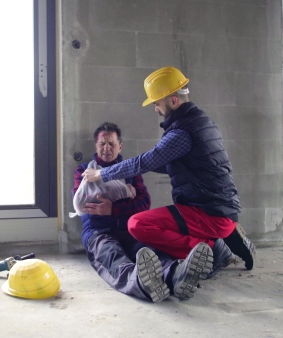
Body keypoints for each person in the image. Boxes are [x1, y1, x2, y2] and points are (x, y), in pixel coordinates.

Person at [82, 66, 256, 272]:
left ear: (173, 100)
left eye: (157, 103)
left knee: (137, 225)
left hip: (209, 214)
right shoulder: (202, 122)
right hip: (222, 210)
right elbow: (168, 164)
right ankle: (224, 239)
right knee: (163, 222)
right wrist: (132, 169)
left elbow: (147, 161)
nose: (156, 108)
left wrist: (103, 173)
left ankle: (212, 250)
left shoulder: (182, 132)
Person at [73, 122, 215, 303]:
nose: (107, 149)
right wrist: (125, 192)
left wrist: (112, 208)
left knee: (150, 252)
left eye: (112, 144)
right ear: (96, 145)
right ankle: (141, 282)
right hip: (98, 232)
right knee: (112, 257)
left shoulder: (130, 170)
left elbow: (143, 203)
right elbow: (83, 202)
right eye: (102, 144)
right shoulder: (83, 171)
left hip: (128, 229)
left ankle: (176, 275)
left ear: (120, 146)